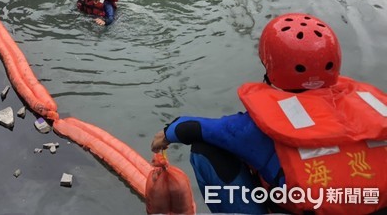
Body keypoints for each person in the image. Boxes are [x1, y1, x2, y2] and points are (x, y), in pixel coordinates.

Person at [151, 13, 387, 215]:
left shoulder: (254, 127)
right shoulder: (373, 109)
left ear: (271, 66)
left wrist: (165, 135)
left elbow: (190, 128)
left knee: (205, 149)